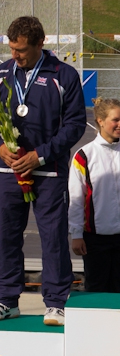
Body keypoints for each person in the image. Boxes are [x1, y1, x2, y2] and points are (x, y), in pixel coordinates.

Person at [0, 16, 86, 326]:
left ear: (40, 44)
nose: (15, 55)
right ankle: (6, 298)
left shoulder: (64, 75)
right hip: (7, 170)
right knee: (7, 236)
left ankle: (56, 302)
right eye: (12, 48)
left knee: (53, 237)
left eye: (22, 50)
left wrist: (39, 155)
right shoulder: (1, 74)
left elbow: (74, 125)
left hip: (48, 171)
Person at [68, 97, 120, 292]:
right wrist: (76, 234)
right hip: (95, 240)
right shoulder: (84, 155)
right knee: (97, 290)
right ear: (100, 121)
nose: (119, 124)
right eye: (115, 120)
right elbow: (76, 199)